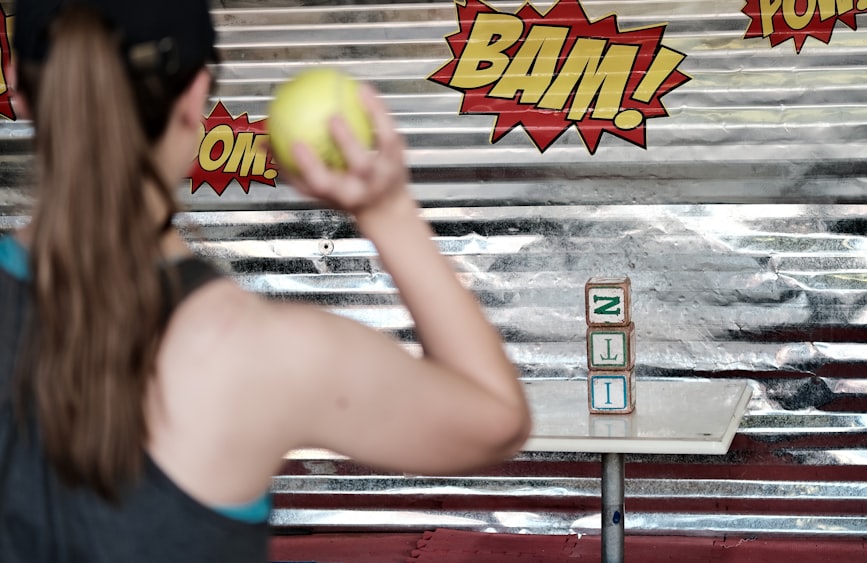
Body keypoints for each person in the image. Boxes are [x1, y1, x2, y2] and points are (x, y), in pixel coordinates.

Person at [0, 0, 531, 560]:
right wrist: (387, 210)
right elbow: (495, 418)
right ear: (195, 96)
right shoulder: (257, 350)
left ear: (18, 88)